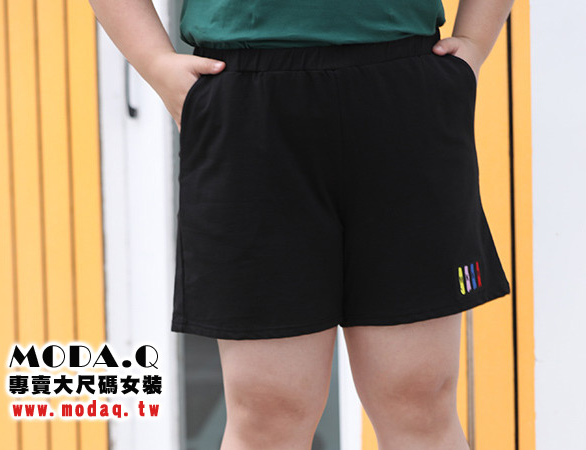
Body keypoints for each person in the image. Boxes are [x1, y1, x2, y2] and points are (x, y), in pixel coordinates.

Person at [88, 0, 514, 448]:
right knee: (268, 411)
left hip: (406, 95)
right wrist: (154, 61)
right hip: (248, 104)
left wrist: (474, 43)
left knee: (419, 399)